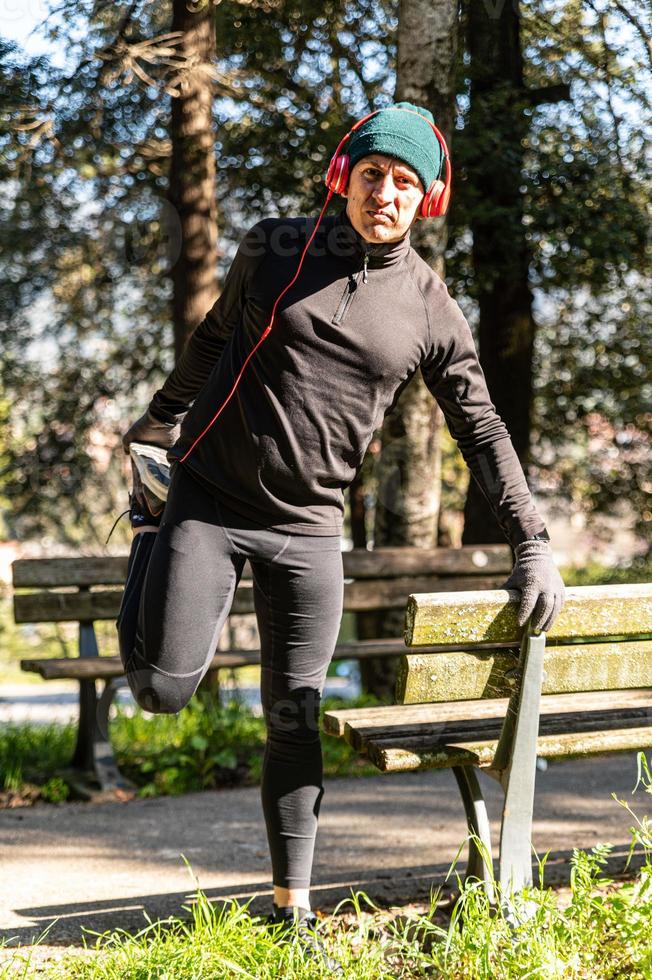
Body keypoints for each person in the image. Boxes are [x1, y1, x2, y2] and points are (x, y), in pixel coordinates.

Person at [118, 102, 565, 970]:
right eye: (371, 175)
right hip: (207, 501)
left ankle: (292, 913)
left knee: (298, 718)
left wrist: (532, 539)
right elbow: (214, 339)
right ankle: (147, 532)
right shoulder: (274, 250)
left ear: (426, 199)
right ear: (342, 178)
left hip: (310, 530)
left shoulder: (431, 308)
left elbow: (483, 431)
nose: (385, 194)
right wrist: (154, 428)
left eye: (404, 183)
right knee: (165, 692)